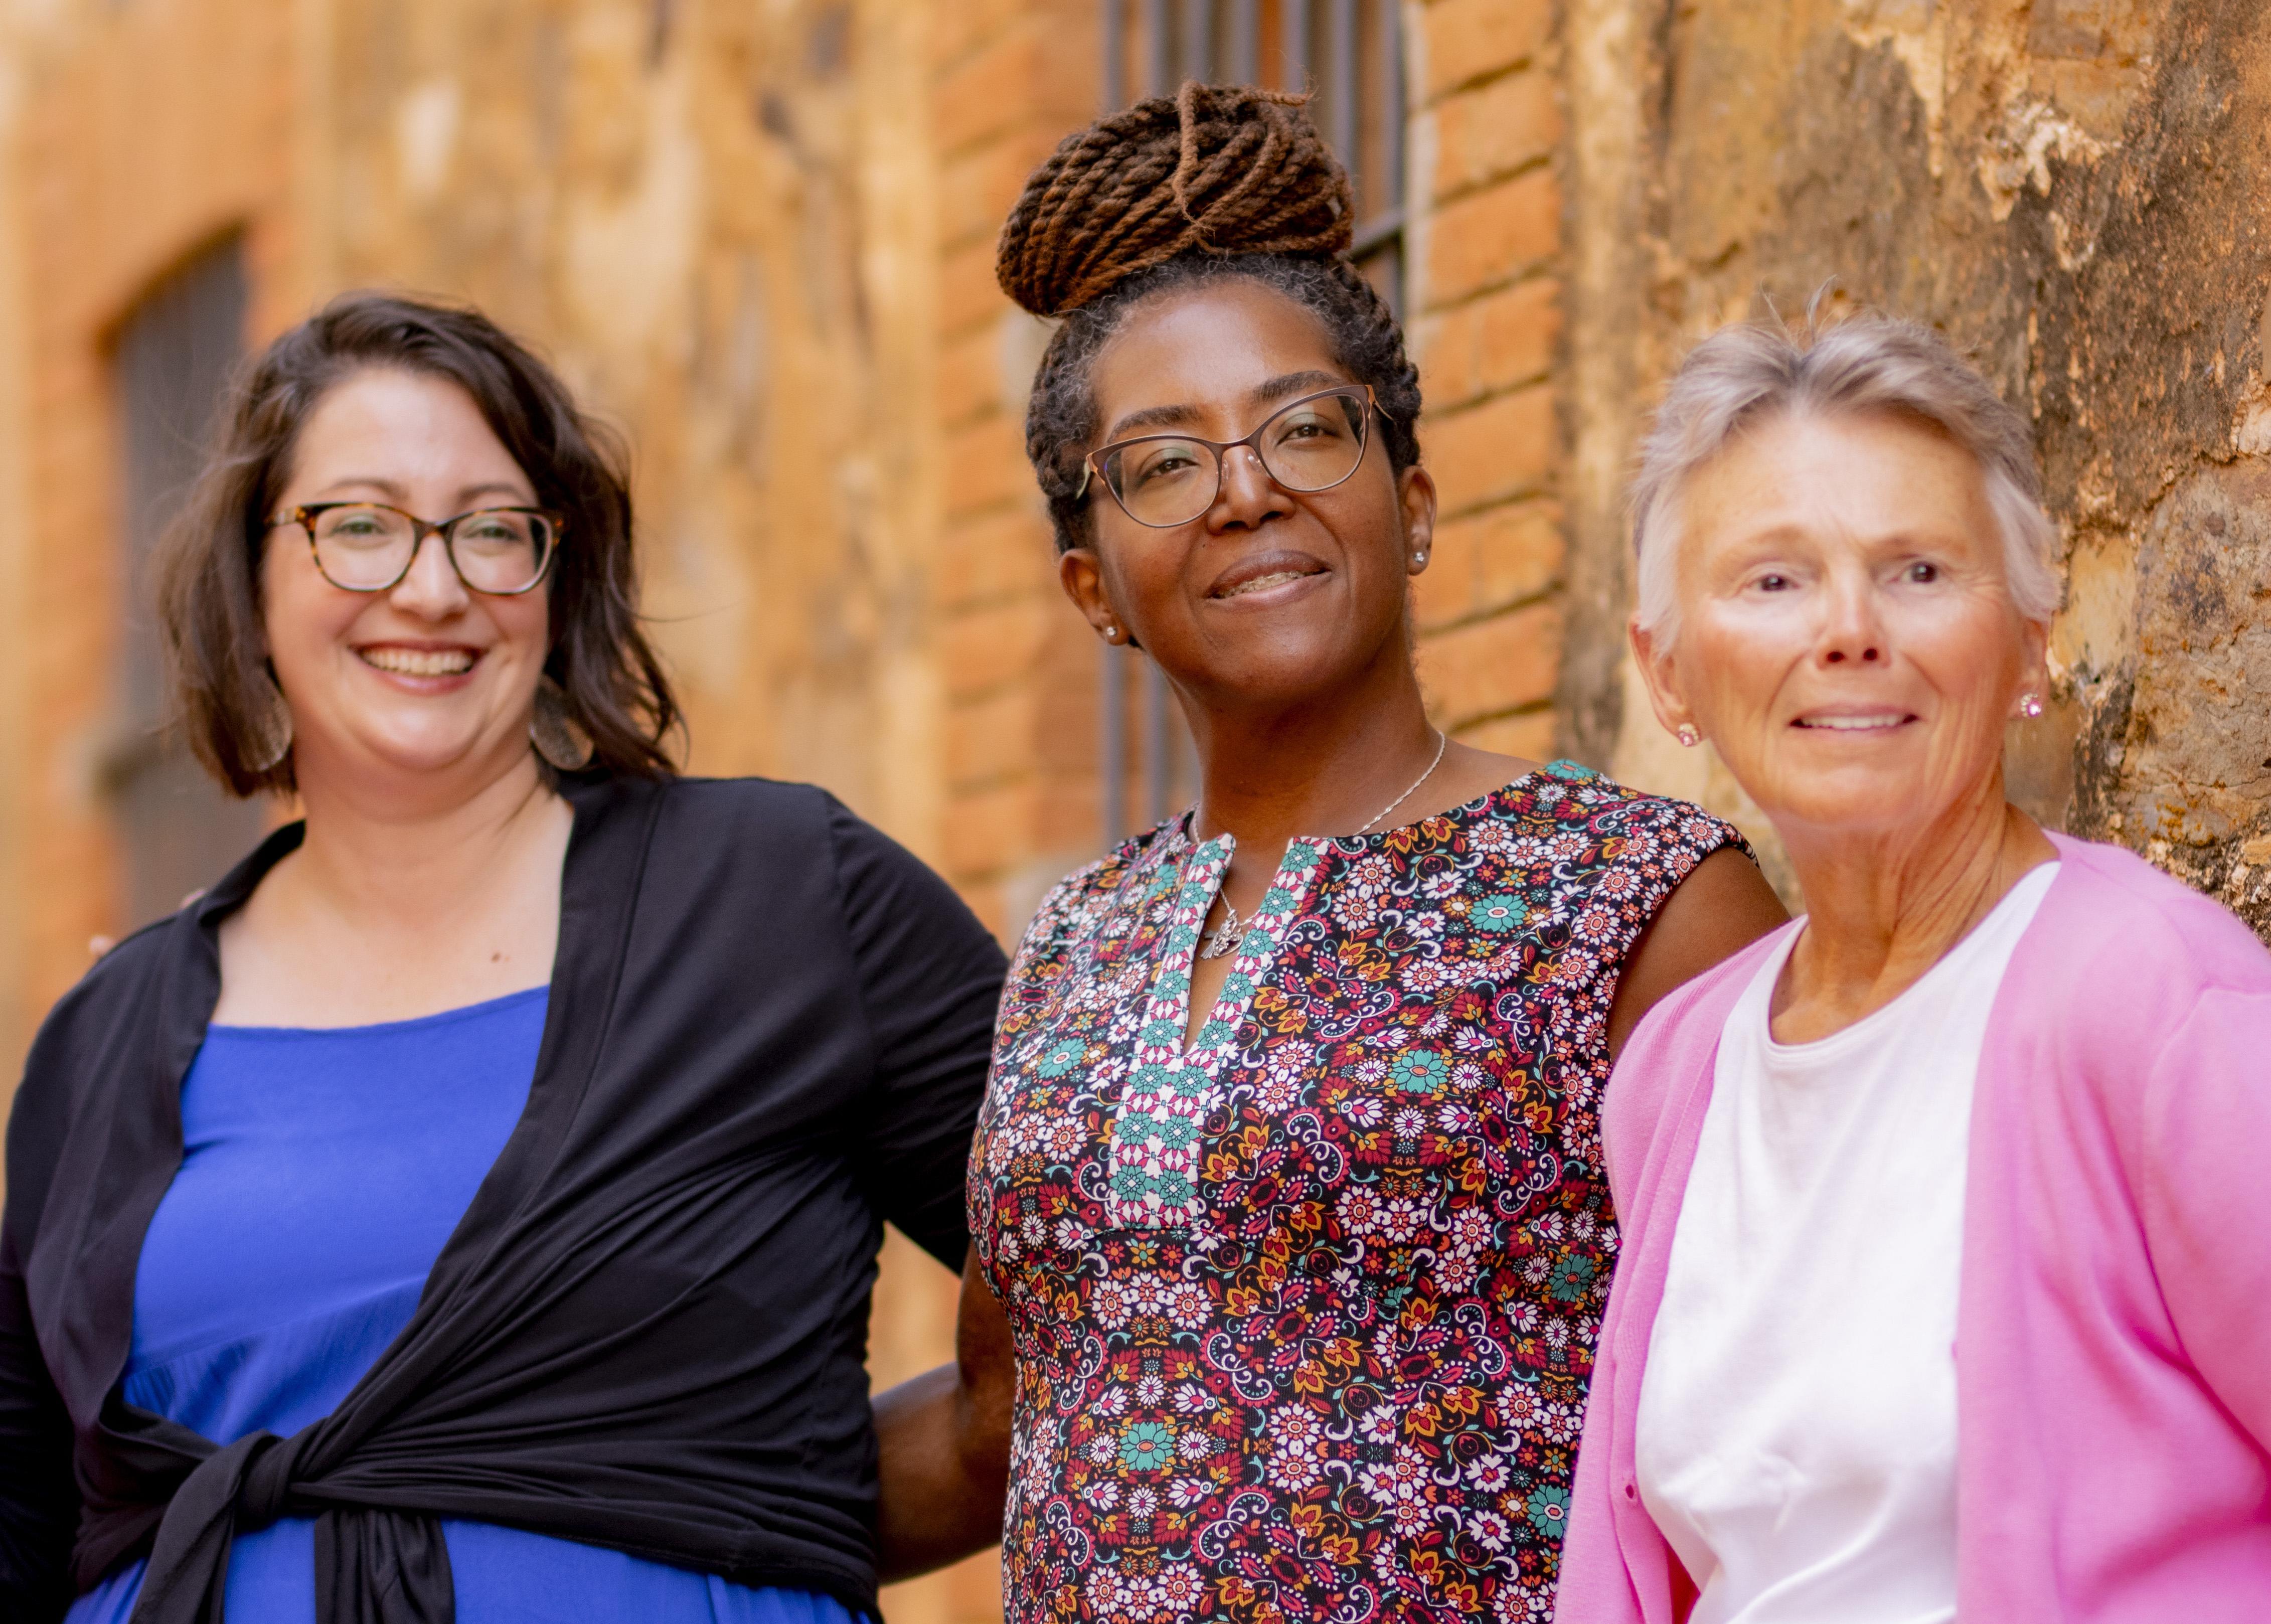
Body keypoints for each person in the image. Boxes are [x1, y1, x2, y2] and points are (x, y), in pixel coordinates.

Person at [0, 294, 1014, 1624]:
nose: (434, 586)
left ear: (560, 578)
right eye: (356, 526)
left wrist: (747, 1509)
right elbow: (31, 1506)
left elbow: (1117, 1284)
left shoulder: (785, 897)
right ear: (249, 578)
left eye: (493, 530)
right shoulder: (112, 1025)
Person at [961, 85, 1788, 1624]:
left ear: (1408, 504)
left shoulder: (1637, 898)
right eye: (1160, 464)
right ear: (1093, 586)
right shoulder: (1074, 946)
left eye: (1305, 429)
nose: (1246, 489)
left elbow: (1795, 1411)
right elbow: (993, 1422)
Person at [1556, 313, 2271, 1623]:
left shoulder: (2157, 1002)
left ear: (2034, 645)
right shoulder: (1679, 1065)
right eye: (1771, 580)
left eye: (1921, 571)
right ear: (1667, 673)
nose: (1848, 630)